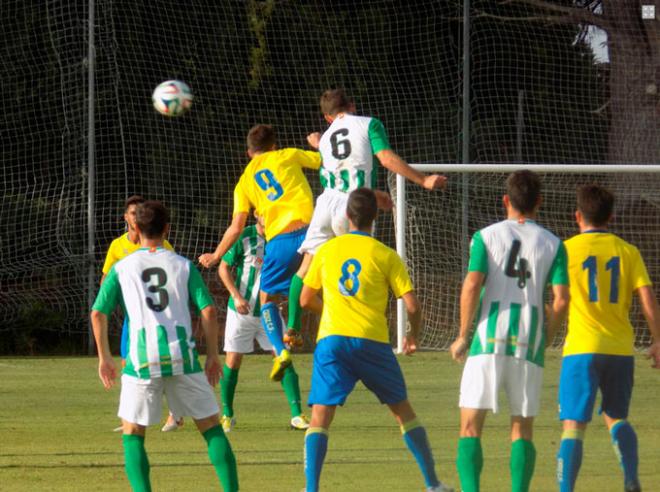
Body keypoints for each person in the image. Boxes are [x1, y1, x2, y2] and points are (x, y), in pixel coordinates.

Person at [300, 188, 454, 492]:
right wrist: (412, 335)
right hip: (372, 342)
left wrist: (333, 308)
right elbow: (412, 305)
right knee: (403, 412)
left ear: (346, 216)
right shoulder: (386, 255)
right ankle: (433, 484)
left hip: (333, 340)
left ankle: (311, 489)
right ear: (375, 219)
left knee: (320, 417)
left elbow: (305, 299)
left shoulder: (327, 251)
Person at [91, 200, 239, 492]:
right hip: (182, 356)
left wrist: (104, 357)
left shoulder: (123, 267)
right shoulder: (182, 265)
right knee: (211, 428)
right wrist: (211, 355)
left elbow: (98, 312)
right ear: (167, 229)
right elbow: (208, 310)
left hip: (141, 360)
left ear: (136, 226)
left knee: (133, 433)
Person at [286, 88, 447, 346]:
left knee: (306, 267)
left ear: (328, 118)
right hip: (353, 206)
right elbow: (385, 159)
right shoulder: (369, 124)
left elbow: (340, 171)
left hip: (325, 204)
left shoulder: (327, 138)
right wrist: (423, 179)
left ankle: (292, 325)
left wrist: (318, 143)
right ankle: (359, 328)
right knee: (358, 264)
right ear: (352, 105)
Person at [449, 170, 570, 492]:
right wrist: (548, 336)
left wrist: (463, 334)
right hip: (529, 342)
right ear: (539, 203)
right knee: (522, 428)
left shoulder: (486, 236)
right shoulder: (554, 244)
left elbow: (473, 283)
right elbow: (561, 301)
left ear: (506, 200)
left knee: (471, 427)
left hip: (488, 340)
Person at [556, 185, 660, 492]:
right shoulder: (628, 251)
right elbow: (648, 299)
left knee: (573, 426)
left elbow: (558, 298)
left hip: (581, 350)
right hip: (619, 350)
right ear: (611, 217)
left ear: (577, 216)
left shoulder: (565, 249)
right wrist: (657, 340)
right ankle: (630, 478)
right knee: (616, 417)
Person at [199, 124, 321, 382]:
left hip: (281, 240)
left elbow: (236, 227)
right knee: (306, 289)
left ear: (248, 152)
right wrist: (319, 144)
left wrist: (216, 255)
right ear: (273, 145)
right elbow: (325, 161)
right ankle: (295, 328)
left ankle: (281, 352)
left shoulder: (244, 181)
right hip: (314, 231)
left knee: (267, 299)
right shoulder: (287, 154)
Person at [218, 213, 309, 432]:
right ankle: (227, 414)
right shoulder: (244, 236)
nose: (266, 215)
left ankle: (297, 415)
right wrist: (237, 297)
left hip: (270, 313)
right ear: (256, 213)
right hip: (241, 312)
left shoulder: (284, 238)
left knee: (284, 359)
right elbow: (223, 268)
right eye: (261, 211)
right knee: (232, 361)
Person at [101, 195, 180, 433]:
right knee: (129, 363)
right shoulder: (117, 246)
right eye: (131, 213)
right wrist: (107, 299)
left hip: (159, 318)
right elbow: (107, 277)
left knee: (166, 364)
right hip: (132, 318)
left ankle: (174, 415)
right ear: (125, 217)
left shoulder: (161, 245)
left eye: (139, 213)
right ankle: (133, 417)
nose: (135, 217)